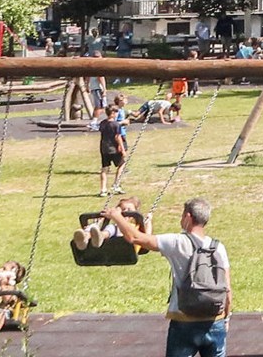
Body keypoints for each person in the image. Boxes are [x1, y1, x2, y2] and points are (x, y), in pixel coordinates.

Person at [105, 197, 231, 357]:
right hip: (215, 320)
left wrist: (117, 217)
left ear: (188, 217)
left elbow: (135, 238)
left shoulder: (177, 242)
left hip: (184, 320)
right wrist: (226, 319)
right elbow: (227, 289)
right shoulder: (218, 247)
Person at [98, 99, 129, 196]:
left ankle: (103, 189)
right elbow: (118, 137)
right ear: (112, 113)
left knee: (104, 168)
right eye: (116, 112)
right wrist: (122, 149)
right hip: (114, 149)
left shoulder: (102, 123)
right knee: (121, 164)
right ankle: (116, 185)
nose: (117, 114)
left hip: (104, 148)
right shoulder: (116, 125)